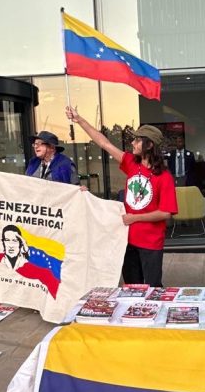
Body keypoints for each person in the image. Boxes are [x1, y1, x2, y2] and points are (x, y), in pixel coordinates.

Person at [65, 106, 177, 287]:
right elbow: (104, 143)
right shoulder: (132, 163)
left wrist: (134, 217)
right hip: (127, 239)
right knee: (132, 287)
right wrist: (79, 120)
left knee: (153, 289)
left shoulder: (164, 177)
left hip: (151, 242)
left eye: (137, 140)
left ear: (149, 145)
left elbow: (166, 213)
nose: (132, 143)